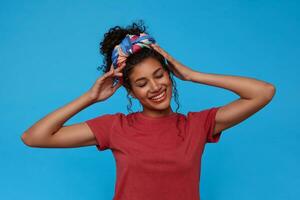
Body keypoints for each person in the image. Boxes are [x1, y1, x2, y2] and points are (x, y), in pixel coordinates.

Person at [21, 20, 276, 200]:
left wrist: (192, 74)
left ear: (170, 74)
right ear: (130, 91)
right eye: (142, 83)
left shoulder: (197, 125)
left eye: (159, 75)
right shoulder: (115, 127)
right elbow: (34, 137)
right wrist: (90, 97)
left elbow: (263, 92)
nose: (155, 87)